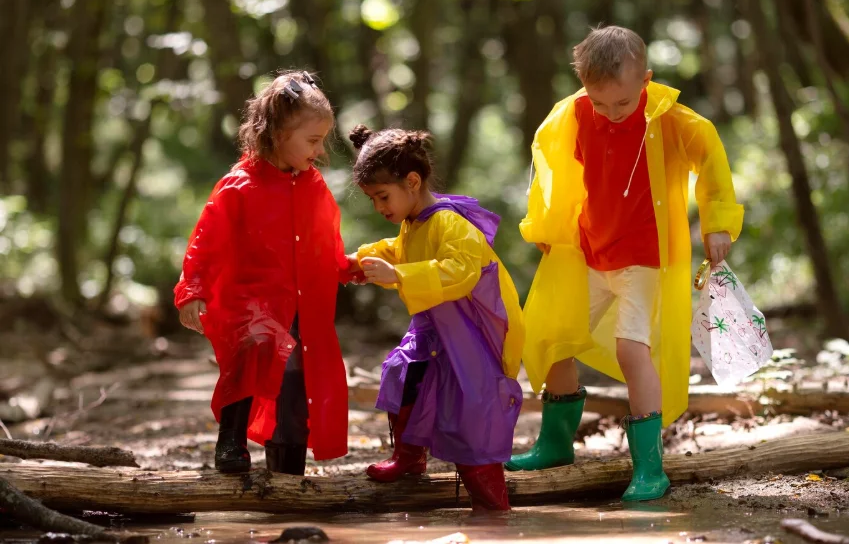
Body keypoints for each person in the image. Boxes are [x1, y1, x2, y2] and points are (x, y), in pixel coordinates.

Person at [507, 25, 744, 502]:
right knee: (554, 336)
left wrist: (717, 223)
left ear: (646, 80)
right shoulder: (573, 115)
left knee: (632, 349)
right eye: (601, 103)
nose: (611, 114)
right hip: (591, 250)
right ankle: (555, 443)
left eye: (622, 103)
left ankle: (649, 467)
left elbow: (712, 160)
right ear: (584, 87)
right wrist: (549, 229)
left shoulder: (672, 119)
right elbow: (552, 171)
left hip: (645, 258)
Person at [175, 71, 354, 475]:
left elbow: (328, 241)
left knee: (296, 381)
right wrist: (193, 289)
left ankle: (287, 464)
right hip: (251, 303)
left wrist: (350, 269)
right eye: (312, 140)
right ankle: (231, 443)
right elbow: (206, 239)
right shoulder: (239, 185)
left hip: (302, 304)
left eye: (323, 139)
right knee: (253, 355)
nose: (320, 149)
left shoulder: (314, 186)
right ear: (276, 132)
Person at [349, 124, 524, 511]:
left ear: (412, 181)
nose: (379, 207)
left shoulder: (449, 221)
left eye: (383, 196)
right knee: (402, 375)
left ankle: (493, 506)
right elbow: (398, 251)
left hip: (471, 333)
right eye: (372, 199)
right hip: (434, 328)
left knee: (471, 408)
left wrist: (399, 276)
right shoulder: (415, 222)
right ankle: (410, 457)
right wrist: (359, 262)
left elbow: (460, 271)